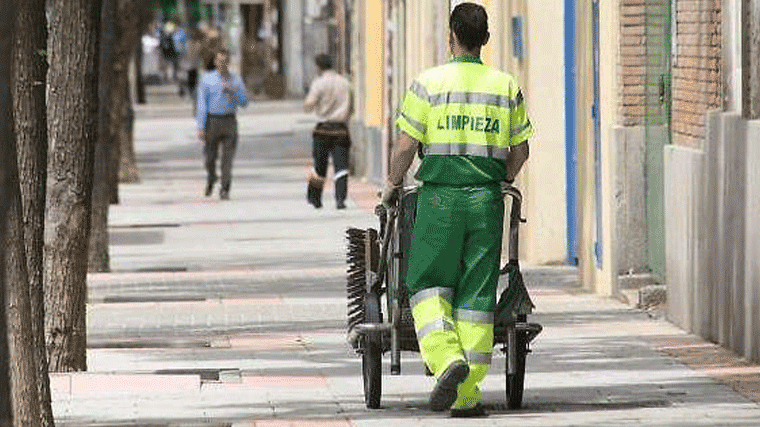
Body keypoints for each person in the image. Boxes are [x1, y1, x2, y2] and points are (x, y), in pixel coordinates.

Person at [380, 2, 533, 417]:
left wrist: (393, 184)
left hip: (439, 200)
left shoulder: (428, 84)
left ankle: (446, 359)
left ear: (451, 36)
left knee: (427, 283)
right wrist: (502, 181)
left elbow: (406, 146)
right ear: (485, 39)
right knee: (476, 294)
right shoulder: (504, 85)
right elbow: (520, 151)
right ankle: (467, 398)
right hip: (486, 202)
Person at [196, 49, 249, 200]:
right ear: (215, 62)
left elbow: (245, 102)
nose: (222, 64)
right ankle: (212, 177)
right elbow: (202, 104)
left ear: (229, 63)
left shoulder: (236, 80)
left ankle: (225, 188)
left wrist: (234, 91)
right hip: (212, 121)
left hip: (229, 121)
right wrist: (201, 126)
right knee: (209, 157)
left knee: (227, 159)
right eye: (219, 61)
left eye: (225, 61)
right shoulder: (207, 79)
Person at [303, 53, 353, 209]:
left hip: (323, 130)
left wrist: (311, 107)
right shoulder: (345, 83)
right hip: (341, 130)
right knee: (341, 166)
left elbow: (309, 105)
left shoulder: (319, 83)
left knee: (319, 166)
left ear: (318, 67)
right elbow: (352, 107)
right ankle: (340, 199)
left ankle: (315, 199)